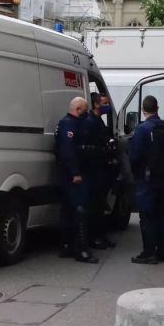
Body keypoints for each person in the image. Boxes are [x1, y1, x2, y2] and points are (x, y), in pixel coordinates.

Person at [128, 95, 164, 265]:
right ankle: (163, 252)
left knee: (147, 216)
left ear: (143, 110)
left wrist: (136, 174)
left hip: (147, 180)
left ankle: (149, 253)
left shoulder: (142, 129)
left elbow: (134, 156)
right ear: (157, 108)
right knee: (162, 216)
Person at [55, 97, 98, 264]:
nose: (86, 112)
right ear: (78, 109)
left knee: (68, 209)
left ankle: (66, 246)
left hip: (71, 173)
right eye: (85, 109)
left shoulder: (72, 123)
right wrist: (75, 172)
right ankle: (81, 250)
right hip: (72, 175)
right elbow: (68, 151)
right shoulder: (69, 124)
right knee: (79, 209)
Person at [82, 92, 114, 250]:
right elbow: (89, 147)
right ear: (96, 104)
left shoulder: (98, 121)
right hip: (94, 170)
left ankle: (101, 236)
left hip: (101, 168)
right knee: (94, 206)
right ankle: (95, 238)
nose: (107, 106)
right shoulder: (90, 122)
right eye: (104, 103)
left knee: (101, 205)